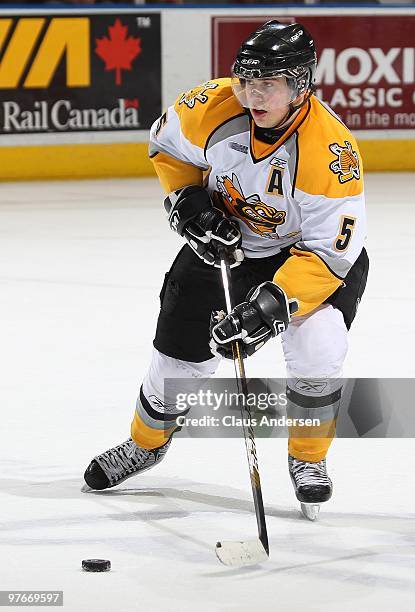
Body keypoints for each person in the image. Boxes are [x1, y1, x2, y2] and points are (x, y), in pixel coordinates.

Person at [84, 20, 368, 515]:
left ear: (300, 86)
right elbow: (167, 146)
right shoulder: (214, 106)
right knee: (176, 362)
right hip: (225, 246)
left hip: (303, 259)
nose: (253, 95)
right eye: (247, 81)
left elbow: (332, 253)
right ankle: (146, 444)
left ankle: (308, 458)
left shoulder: (331, 153)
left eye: (269, 84)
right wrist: (189, 199)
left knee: (320, 345)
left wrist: (270, 306)